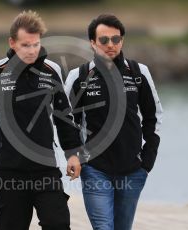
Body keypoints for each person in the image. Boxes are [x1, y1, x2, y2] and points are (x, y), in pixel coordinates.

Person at [0, 10, 81, 230]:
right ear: (12, 42)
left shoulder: (52, 70)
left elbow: (64, 116)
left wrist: (73, 153)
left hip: (46, 167)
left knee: (58, 224)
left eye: (36, 44)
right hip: (8, 169)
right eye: (26, 45)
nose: (32, 50)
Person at [65, 14, 163, 230]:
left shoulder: (138, 73)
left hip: (133, 169)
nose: (111, 45)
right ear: (92, 42)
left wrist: (147, 161)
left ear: (122, 41)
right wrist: (74, 155)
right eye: (104, 40)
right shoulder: (79, 76)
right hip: (94, 169)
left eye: (116, 39)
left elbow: (153, 117)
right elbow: (64, 119)